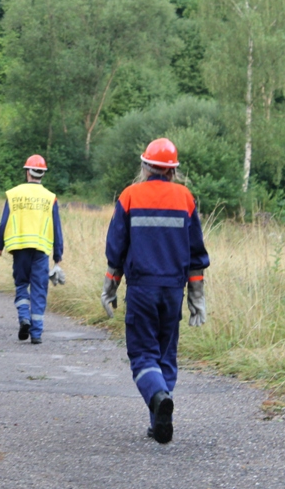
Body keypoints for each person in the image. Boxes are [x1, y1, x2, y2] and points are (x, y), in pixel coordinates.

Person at [101, 138, 209, 444]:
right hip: (173, 291)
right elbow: (196, 253)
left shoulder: (130, 195)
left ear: (146, 166)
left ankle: (158, 398)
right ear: (173, 170)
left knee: (142, 355)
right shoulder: (186, 198)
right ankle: (160, 421)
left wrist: (110, 286)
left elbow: (117, 247)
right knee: (165, 355)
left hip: (141, 289)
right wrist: (196, 297)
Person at [0, 155, 64, 345]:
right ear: (43, 174)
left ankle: (24, 317)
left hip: (19, 248)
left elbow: (4, 222)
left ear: (27, 172)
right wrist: (58, 255)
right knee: (39, 289)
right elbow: (56, 227)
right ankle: (36, 333)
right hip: (41, 250)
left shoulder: (14, 194)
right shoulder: (50, 198)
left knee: (21, 285)